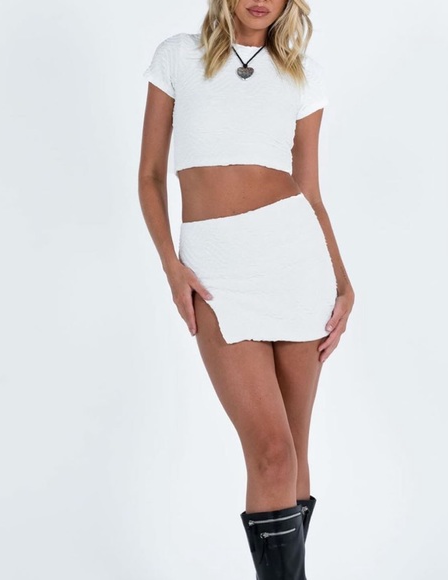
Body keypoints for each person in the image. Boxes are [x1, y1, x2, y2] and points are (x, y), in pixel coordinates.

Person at [138, 0, 354, 577]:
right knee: (271, 453)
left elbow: (310, 190)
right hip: (217, 273)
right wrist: (171, 266)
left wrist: (342, 280)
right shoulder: (178, 56)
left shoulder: (303, 75)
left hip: (297, 264)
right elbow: (151, 175)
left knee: (292, 455)